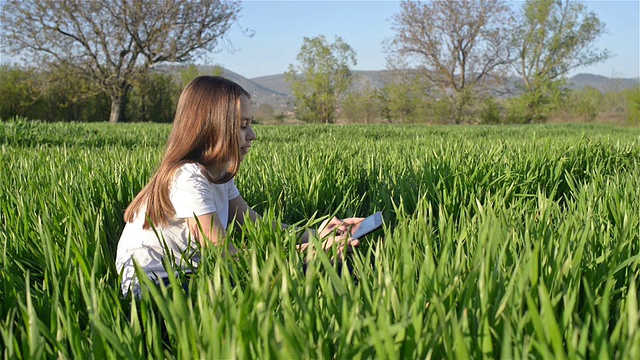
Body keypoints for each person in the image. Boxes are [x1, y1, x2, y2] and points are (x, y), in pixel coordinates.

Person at [115, 76, 362, 297]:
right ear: (211, 127)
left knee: (300, 274)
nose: (252, 134)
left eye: (250, 124)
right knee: (285, 283)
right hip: (155, 287)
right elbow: (222, 253)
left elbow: (257, 224)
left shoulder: (219, 172)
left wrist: (317, 235)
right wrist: (305, 253)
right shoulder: (187, 178)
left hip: (191, 275)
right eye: (242, 125)